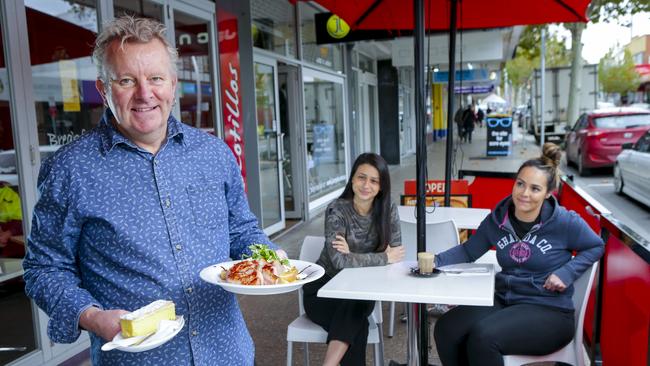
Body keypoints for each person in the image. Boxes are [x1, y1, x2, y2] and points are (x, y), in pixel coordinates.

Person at [22, 16, 281, 365]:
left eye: (156, 78)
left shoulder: (213, 154)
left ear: (172, 85)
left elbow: (241, 230)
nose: (145, 94)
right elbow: (44, 268)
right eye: (127, 80)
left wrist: (272, 260)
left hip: (227, 351)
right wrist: (92, 316)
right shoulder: (71, 169)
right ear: (103, 89)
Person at [432, 143, 604, 366]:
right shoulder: (498, 218)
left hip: (549, 310)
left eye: (535, 188)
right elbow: (468, 250)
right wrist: (434, 261)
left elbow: (596, 246)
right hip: (505, 299)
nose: (524, 193)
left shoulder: (564, 221)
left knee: (484, 338)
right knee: (447, 329)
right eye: (520, 184)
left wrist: (567, 272)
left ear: (548, 193)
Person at [302, 153, 405, 366]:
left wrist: (354, 256)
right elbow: (339, 262)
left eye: (374, 180)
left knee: (356, 304)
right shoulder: (337, 209)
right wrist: (381, 257)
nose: (366, 185)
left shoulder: (388, 209)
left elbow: (395, 256)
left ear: (381, 186)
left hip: (361, 291)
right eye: (362, 177)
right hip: (322, 291)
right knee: (358, 322)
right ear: (352, 179)